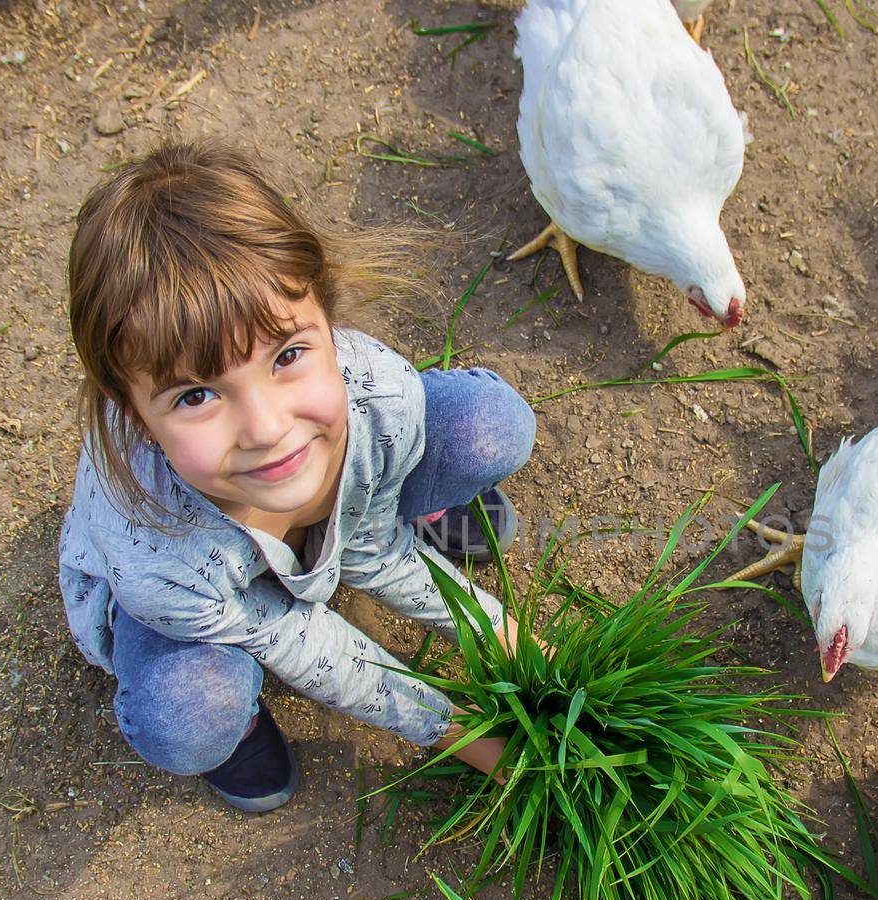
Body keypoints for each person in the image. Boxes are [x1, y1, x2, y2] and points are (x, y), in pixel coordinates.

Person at [56, 141, 534, 812]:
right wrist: (458, 735)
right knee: (188, 712)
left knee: (488, 422)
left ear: (330, 321)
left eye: (287, 355)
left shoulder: (378, 395)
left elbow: (369, 547)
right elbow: (301, 637)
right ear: (132, 416)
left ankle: (412, 503)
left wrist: (503, 636)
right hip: (198, 585)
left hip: (352, 474)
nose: (267, 427)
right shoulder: (159, 563)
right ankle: (237, 722)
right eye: (195, 395)